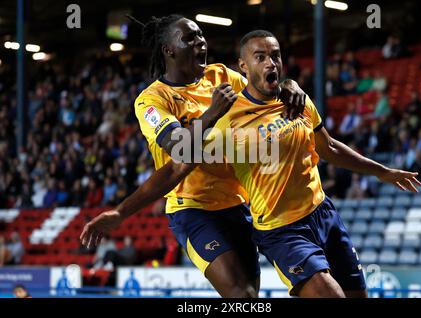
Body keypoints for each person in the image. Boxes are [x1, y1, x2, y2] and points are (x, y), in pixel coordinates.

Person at [80, 15, 307, 298]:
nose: (200, 41)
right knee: (241, 294)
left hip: (239, 203)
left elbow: (265, 89)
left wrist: (289, 86)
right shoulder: (152, 101)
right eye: (189, 37)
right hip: (193, 209)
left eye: (200, 35)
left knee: (250, 295)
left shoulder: (223, 76)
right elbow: (179, 151)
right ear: (169, 50)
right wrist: (212, 113)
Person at [201, 30, 421, 298]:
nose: (271, 63)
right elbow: (187, 156)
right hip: (281, 231)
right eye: (260, 57)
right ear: (243, 65)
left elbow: (327, 147)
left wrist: (381, 171)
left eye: (275, 56)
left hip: (323, 215)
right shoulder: (227, 118)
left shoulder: (296, 99)